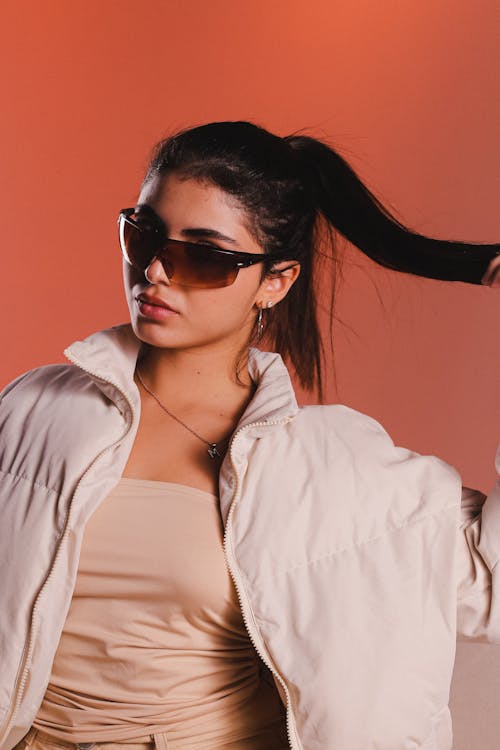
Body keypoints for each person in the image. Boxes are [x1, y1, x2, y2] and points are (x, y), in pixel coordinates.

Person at [1, 120, 499, 750]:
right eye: (144, 234)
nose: (155, 269)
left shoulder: (335, 468)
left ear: (276, 281)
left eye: (205, 255)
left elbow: (491, 588)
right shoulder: (32, 408)